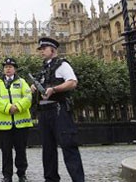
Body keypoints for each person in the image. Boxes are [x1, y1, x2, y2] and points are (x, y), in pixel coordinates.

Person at [31, 37, 85, 182]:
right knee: (48, 150)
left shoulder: (62, 65)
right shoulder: (43, 69)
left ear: (53, 50)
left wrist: (53, 89)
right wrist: (34, 88)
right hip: (44, 113)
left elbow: (72, 82)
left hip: (59, 110)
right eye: (40, 49)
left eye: (44, 49)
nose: (41, 52)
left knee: (68, 146)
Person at [0, 57, 33, 182]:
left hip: (21, 124)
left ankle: (22, 174)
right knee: (6, 152)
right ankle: (7, 176)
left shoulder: (22, 82)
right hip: (4, 125)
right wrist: (8, 108)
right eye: (6, 67)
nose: (8, 69)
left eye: (10, 67)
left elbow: (28, 97)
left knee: (21, 151)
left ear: (15, 69)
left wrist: (18, 107)